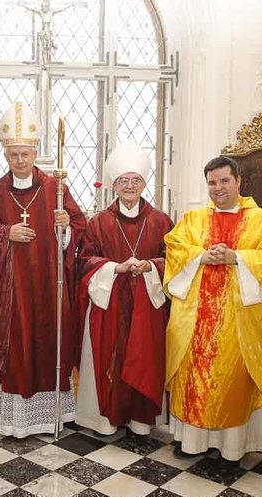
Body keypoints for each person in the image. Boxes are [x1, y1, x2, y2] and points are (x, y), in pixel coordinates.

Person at [0, 102, 86, 437]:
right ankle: (17, 421)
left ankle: (53, 415)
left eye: (25, 154)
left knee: (49, 340)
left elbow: (79, 225)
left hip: (49, 283)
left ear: (36, 152)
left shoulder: (55, 188)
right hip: (11, 287)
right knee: (17, 343)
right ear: (5, 155)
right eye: (14, 155)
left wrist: (65, 226)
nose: (20, 160)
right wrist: (5, 232)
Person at [163, 156, 262, 461]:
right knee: (194, 378)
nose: (218, 188)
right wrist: (201, 256)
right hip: (195, 318)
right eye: (212, 183)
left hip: (239, 320)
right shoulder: (193, 219)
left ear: (239, 181)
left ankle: (232, 448)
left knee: (232, 379)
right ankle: (191, 442)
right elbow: (175, 248)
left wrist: (236, 257)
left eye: (224, 181)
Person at [75, 142, 173, 435]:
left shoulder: (161, 221)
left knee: (145, 357)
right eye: (123, 180)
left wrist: (151, 266)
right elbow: (84, 260)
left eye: (136, 180)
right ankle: (105, 421)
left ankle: (141, 422)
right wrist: (114, 268)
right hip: (111, 304)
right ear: (114, 185)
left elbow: (174, 259)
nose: (130, 186)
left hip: (147, 304)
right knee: (110, 356)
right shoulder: (99, 222)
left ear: (144, 184)